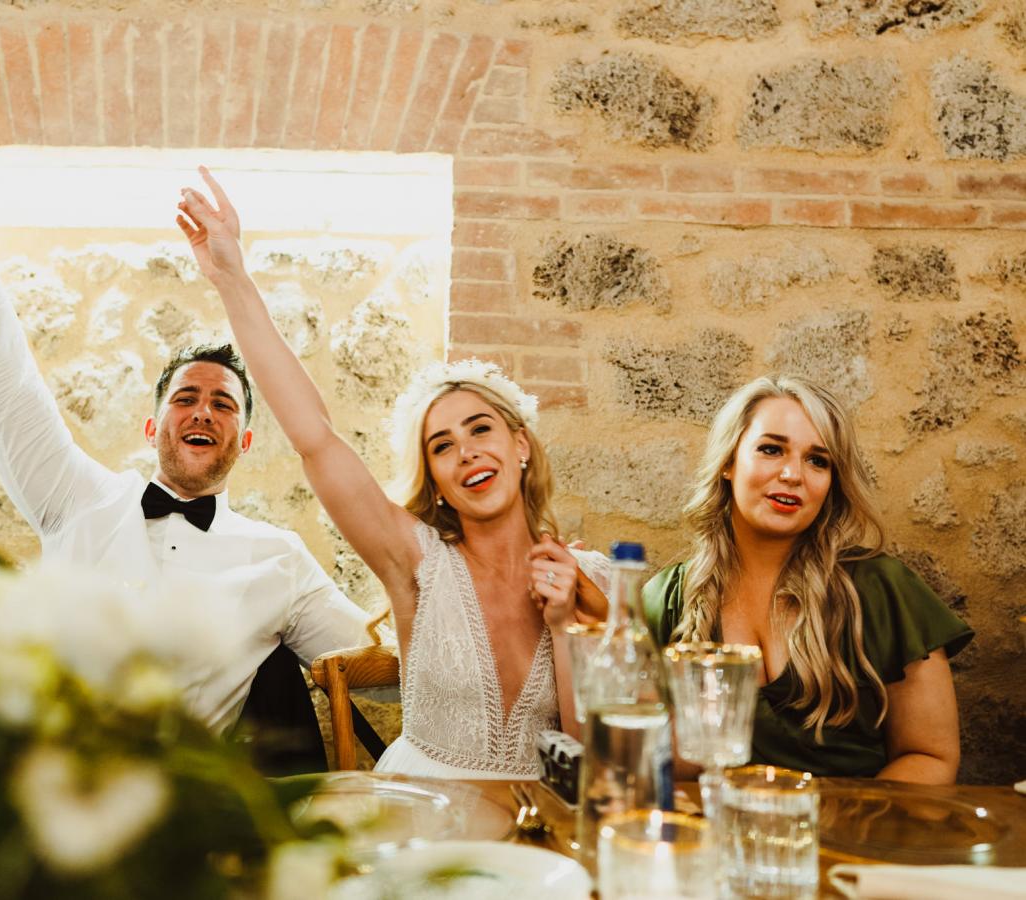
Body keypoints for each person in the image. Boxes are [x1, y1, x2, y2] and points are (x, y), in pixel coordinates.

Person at [0, 112, 370, 735]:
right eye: (185, 398)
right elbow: (1, 382)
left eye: (224, 404)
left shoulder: (279, 562)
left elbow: (385, 674)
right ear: (153, 429)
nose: (203, 409)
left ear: (246, 441)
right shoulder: (73, 499)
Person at [175, 170, 610, 779]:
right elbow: (315, 437)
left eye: (481, 429)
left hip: (537, 833)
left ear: (520, 446)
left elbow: (598, 762)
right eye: (442, 445)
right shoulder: (415, 559)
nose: (467, 452)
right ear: (434, 477)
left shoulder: (591, 579)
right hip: (423, 823)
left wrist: (566, 624)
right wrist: (232, 279)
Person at [643, 375, 972, 784]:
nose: (792, 474)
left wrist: (834, 831)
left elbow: (931, 757)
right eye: (771, 449)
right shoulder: (668, 598)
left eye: (818, 460)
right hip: (714, 835)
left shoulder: (880, 589)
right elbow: (647, 760)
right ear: (728, 462)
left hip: (852, 837)